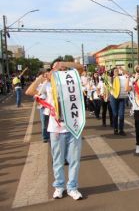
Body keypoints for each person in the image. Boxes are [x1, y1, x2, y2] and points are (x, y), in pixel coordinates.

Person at [25, 60, 84, 200]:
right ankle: (59, 187)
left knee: (74, 160)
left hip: (73, 126)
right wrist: (42, 77)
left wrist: (63, 63)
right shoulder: (48, 85)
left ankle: (72, 187)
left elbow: (81, 68)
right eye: (57, 68)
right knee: (57, 160)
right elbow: (30, 91)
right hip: (56, 128)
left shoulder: (71, 81)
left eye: (63, 68)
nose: (60, 70)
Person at [110, 68, 126, 136]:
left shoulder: (122, 77)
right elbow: (109, 88)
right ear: (113, 72)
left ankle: (121, 130)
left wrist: (122, 69)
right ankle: (115, 129)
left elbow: (128, 75)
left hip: (122, 97)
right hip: (113, 97)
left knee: (121, 115)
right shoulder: (110, 79)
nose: (117, 72)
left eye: (118, 70)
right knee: (115, 114)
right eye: (115, 71)